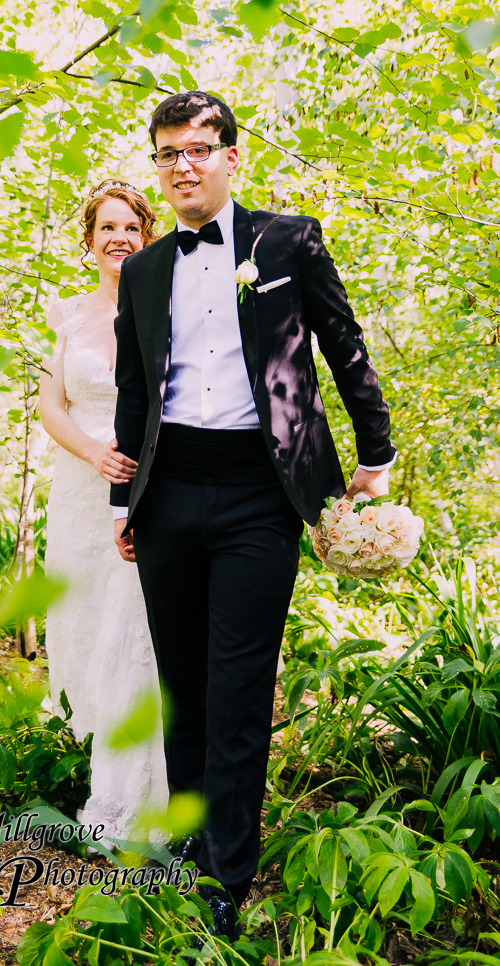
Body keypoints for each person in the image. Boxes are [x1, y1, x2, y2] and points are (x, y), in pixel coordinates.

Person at [110, 92, 396, 934]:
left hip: (259, 499)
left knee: (237, 689)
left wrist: (374, 456)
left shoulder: (288, 240)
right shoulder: (144, 267)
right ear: (158, 165)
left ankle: (225, 881)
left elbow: (344, 344)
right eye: (168, 153)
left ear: (232, 156)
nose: (183, 165)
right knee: (183, 691)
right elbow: (135, 391)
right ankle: (192, 851)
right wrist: (126, 499)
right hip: (167, 498)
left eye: (200, 148)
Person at [40, 180, 168, 846]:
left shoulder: (166, 307)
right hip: (81, 494)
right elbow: (50, 406)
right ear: (88, 239)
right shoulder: (63, 314)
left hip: (147, 497)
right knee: (86, 628)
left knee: (135, 636)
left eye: (131, 228)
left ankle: (129, 802)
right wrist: (94, 452)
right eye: (107, 227)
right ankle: (92, 754)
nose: (119, 238)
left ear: (147, 237)